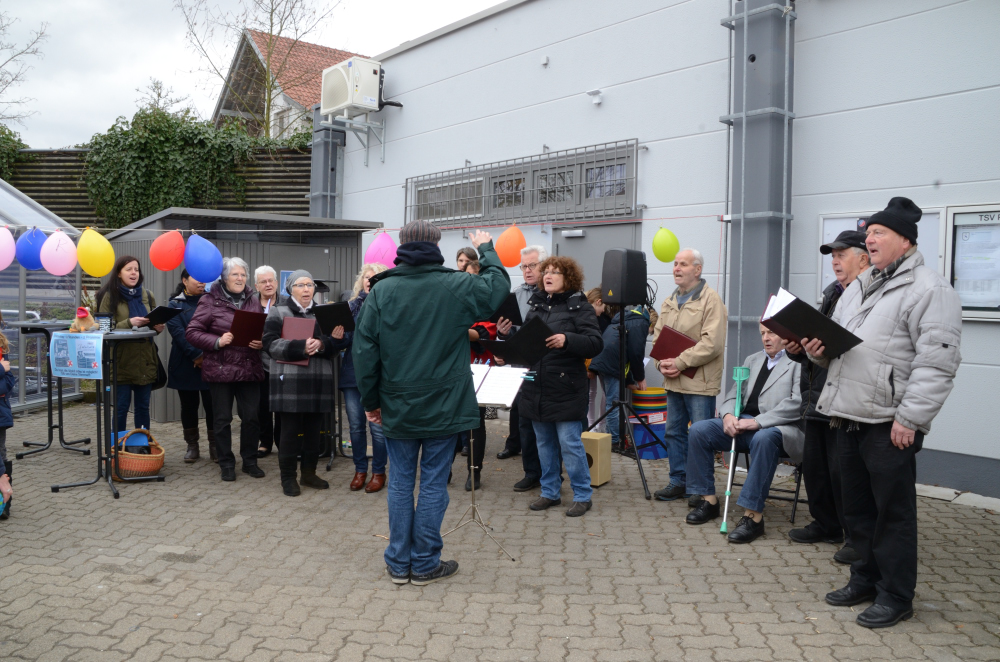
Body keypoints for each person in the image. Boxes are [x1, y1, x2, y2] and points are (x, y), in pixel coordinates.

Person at [801, 197, 962, 629]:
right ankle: (865, 579)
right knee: (858, 511)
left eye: (878, 232)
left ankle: (896, 594)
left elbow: (937, 362)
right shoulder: (860, 285)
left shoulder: (930, 289)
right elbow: (842, 347)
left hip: (890, 422)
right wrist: (817, 353)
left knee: (892, 513)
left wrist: (911, 418)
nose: (868, 238)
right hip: (847, 414)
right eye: (868, 232)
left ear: (904, 241)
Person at [353, 221, 509, 586]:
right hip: (445, 405)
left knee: (401, 482)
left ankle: (398, 562)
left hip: (398, 404)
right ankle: (424, 563)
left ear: (402, 245)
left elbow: (364, 352)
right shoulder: (455, 285)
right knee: (434, 484)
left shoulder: (382, 291)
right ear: (436, 245)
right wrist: (485, 247)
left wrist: (372, 401)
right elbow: (498, 286)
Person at [784, 231, 869, 565]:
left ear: (863, 258)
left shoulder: (867, 298)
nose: (834, 261)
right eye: (832, 256)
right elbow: (816, 349)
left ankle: (853, 535)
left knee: (842, 472)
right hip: (815, 396)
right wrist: (797, 349)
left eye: (841, 254)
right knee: (815, 468)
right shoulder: (831, 294)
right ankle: (826, 523)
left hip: (844, 399)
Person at [684, 325, 803, 543]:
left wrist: (757, 422)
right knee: (700, 429)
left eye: (772, 333)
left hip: (780, 429)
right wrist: (728, 415)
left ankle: (753, 517)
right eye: (762, 333)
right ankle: (708, 501)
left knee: (764, 437)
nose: (765, 338)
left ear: (786, 335)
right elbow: (733, 395)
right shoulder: (753, 359)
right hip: (744, 425)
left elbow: (797, 404)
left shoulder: (799, 362)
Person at [513, 256, 604, 517]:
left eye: (555, 272)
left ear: (568, 278)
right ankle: (550, 492)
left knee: (569, 443)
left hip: (565, 387)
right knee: (544, 443)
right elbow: (527, 344)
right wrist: (508, 340)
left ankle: (583, 495)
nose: (548, 276)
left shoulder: (580, 306)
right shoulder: (536, 306)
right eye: (546, 272)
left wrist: (567, 340)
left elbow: (595, 343)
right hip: (536, 386)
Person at [650, 248, 727, 502]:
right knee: (673, 433)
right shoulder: (669, 301)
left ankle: (700, 489)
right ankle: (678, 481)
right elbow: (658, 338)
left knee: (700, 436)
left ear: (697, 269)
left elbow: (712, 343)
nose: (677, 268)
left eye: (683, 264)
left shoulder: (710, 299)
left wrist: (680, 362)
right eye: (675, 264)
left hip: (699, 382)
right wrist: (660, 364)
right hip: (673, 379)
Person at [186, 257, 266, 482]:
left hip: (249, 367)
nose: (240, 278)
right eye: (235, 275)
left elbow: (260, 328)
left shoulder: (253, 298)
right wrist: (217, 341)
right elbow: (192, 332)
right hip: (221, 369)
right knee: (222, 420)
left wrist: (261, 342)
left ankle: (250, 461)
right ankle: (226, 463)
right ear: (224, 277)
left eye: (243, 274)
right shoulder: (210, 300)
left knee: (251, 418)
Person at [262, 270, 340, 496]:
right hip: (290, 382)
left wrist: (323, 344)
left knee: (314, 432)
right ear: (290, 289)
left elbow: (334, 346)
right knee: (290, 432)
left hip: (318, 380)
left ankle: (308, 474)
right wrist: (300, 347)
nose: (307, 289)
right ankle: (288, 478)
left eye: (310, 284)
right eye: (301, 285)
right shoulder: (278, 311)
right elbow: (269, 344)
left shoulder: (324, 313)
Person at [494, 245, 547, 495]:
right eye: (523, 266)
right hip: (522, 368)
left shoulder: (555, 293)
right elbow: (512, 332)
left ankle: (551, 473)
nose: (527, 270)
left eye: (532, 265)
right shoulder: (516, 295)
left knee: (546, 425)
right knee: (524, 422)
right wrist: (504, 335)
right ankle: (531, 473)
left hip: (548, 367)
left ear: (545, 265)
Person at [335, 263, 389, 494]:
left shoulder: (389, 306)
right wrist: (337, 337)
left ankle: (378, 472)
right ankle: (360, 470)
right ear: (361, 281)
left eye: (375, 277)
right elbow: (345, 342)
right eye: (367, 277)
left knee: (377, 428)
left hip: (379, 376)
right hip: (352, 375)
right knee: (356, 427)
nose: (370, 280)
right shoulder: (351, 307)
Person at [96, 256, 165, 433]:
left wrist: (158, 327)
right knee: (120, 409)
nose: (134, 273)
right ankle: (117, 450)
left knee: (143, 409)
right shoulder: (109, 296)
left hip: (145, 361)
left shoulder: (148, 295)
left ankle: (142, 448)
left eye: (136, 269)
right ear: (119, 273)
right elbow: (103, 329)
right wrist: (129, 322)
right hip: (122, 362)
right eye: (129, 269)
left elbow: (152, 323)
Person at [166, 270, 215, 463]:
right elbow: (179, 334)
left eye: (204, 278)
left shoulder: (211, 301)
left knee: (213, 405)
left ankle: (215, 445)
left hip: (211, 361)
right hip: (185, 363)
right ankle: (192, 445)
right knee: (189, 406)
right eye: (197, 278)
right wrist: (197, 355)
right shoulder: (174, 304)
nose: (202, 282)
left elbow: (217, 327)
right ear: (184, 281)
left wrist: (206, 356)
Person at [588, 300, 649, 448]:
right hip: (610, 364)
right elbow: (635, 353)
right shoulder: (640, 323)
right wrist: (640, 378)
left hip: (604, 361)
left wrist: (628, 381)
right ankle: (615, 441)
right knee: (614, 403)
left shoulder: (626, 320)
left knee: (611, 401)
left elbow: (625, 355)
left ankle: (614, 437)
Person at [459, 257, 495, 491]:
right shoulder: (455, 301)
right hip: (452, 368)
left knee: (475, 422)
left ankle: (475, 471)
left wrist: (452, 327)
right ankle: (445, 471)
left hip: (479, 369)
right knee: (449, 422)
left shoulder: (489, 305)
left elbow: (480, 334)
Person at [253, 265, 283, 457]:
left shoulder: (287, 304)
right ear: (256, 286)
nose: (268, 284)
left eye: (271, 280)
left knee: (281, 405)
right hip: (258, 363)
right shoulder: (250, 305)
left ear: (277, 283)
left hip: (281, 362)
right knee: (262, 405)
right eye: (263, 281)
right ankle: (265, 441)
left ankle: (282, 441)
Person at [0, 329, 14, 520]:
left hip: (1, 412)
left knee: (1, 452)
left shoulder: (2, 345)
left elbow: (10, 382)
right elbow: (6, 373)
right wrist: (1, 370)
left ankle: (5, 503)